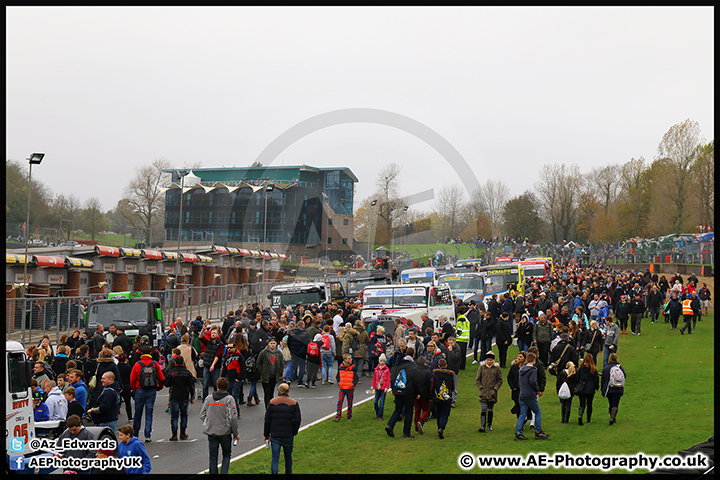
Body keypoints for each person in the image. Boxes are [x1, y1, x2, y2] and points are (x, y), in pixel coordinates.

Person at [200, 376, 240, 475]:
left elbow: (202, 414)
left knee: (213, 457)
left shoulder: (209, 398)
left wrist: (209, 422)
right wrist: (235, 432)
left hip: (212, 431)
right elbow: (233, 417)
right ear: (227, 387)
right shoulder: (229, 399)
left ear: (217, 386)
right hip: (225, 432)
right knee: (226, 455)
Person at [264, 383, 302, 475]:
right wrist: (294, 431)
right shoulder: (293, 403)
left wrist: (266, 434)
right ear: (288, 391)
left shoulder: (272, 403)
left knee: (275, 457)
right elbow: (297, 420)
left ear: (279, 391)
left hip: (275, 434)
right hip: (288, 434)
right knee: (288, 457)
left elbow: (267, 420)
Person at [130, 345, 165, 442]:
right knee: (149, 412)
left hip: (139, 389)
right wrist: (159, 387)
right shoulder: (154, 364)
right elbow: (161, 378)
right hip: (151, 389)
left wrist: (134, 389)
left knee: (138, 413)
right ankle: (147, 434)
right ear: (150, 354)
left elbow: (132, 379)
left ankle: (136, 433)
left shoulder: (137, 364)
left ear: (141, 354)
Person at [385, 347, 419, 438]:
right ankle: (406, 432)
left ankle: (390, 425)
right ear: (413, 355)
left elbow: (393, 377)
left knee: (397, 409)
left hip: (398, 390)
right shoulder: (414, 367)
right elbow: (416, 381)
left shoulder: (398, 365)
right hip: (409, 392)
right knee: (409, 411)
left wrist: (393, 388)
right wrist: (417, 392)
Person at [514, 352, 549, 440]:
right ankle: (538, 431)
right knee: (537, 412)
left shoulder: (521, 369)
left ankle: (518, 432)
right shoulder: (533, 370)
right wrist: (537, 389)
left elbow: (519, 382)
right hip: (530, 394)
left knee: (522, 414)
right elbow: (533, 381)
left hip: (522, 394)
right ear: (534, 360)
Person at [164, 355, 195, 441]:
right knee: (184, 415)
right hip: (185, 395)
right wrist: (192, 396)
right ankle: (183, 433)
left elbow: (166, 383)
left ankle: (174, 434)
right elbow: (191, 386)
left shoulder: (172, 372)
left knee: (174, 416)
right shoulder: (187, 373)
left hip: (174, 395)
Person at [475, 350, 502, 433]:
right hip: (483, 392)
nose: (489, 361)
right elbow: (477, 379)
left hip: (492, 393)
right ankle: (482, 426)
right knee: (483, 409)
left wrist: (495, 389)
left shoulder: (497, 368)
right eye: (488, 360)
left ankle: (489, 425)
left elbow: (500, 380)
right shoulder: (481, 368)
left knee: (490, 409)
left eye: (491, 360)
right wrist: (480, 387)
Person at [257, 337, 285, 408]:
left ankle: (271, 407)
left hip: (274, 376)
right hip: (266, 376)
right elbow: (258, 363)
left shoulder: (279, 353)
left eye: (274, 343)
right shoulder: (264, 352)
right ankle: (267, 407)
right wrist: (262, 371)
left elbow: (282, 363)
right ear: (268, 344)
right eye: (271, 343)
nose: (272, 345)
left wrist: (279, 371)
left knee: (272, 392)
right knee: (267, 393)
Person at [431, 358, 455, 439]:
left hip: (437, 397)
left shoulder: (435, 375)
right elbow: (453, 387)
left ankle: (439, 427)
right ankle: (441, 428)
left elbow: (432, 386)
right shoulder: (450, 375)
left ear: (438, 366)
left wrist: (431, 396)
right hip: (447, 398)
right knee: (445, 414)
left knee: (438, 413)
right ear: (446, 365)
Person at [601, 352, 626, 425]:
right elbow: (624, 376)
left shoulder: (606, 368)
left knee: (611, 403)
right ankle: (613, 417)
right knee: (615, 404)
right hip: (618, 388)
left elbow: (603, 380)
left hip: (609, 389)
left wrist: (603, 391)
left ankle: (612, 417)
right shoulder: (620, 367)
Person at [575, 352, 600, 425]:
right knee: (589, 404)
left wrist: (578, 384)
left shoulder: (581, 368)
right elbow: (596, 379)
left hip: (582, 388)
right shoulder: (593, 369)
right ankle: (588, 419)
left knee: (582, 404)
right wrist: (596, 387)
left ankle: (580, 415)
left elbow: (577, 377)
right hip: (590, 388)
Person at [334, 353, 358, 421]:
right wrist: (339, 383)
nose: (351, 359)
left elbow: (356, 377)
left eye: (351, 358)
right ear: (345, 360)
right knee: (340, 402)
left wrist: (353, 384)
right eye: (349, 358)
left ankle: (349, 416)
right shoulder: (340, 367)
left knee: (350, 403)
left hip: (350, 388)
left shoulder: (353, 367)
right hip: (342, 387)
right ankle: (338, 416)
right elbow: (337, 376)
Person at [413, 356, 434, 434]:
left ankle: (416, 428)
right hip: (425, 394)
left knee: (417, 410)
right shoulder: (427, 372)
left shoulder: (414, 371)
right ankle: (421, 421)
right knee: (426, 410)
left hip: (416, 393)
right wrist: (431, 396)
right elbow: (430, 386)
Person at [507, 351, 526, 422]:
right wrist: (512, 387)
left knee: (522, 405)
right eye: (518, 356)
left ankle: (524, 418)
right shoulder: (514, 367)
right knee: (517, 404)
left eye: (521, 357)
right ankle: (520, 421)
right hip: (516, 390)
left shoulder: (526, 367)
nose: (519, 358)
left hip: (524, 390)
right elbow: (509, 377)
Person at [372, 353, 391, 420]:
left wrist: (386, 387)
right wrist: (372, 386)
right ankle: (377, 412)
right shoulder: (376, 370)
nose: (382, 362)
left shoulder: (387, 370)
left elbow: (388, 379)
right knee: (375, 402)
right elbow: (374, 379)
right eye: (381, 361)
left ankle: (380, 415)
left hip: (383, 388)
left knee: (382, 403)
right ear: (379, 361)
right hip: (377, 388)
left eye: (383, 361)